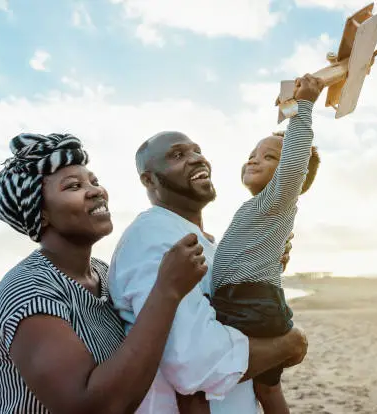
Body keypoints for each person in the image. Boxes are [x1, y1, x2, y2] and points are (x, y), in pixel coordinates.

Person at [107, 78, 319, 414]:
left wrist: (267, 264)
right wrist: (289, 343)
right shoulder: (154, 235)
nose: (196, 159)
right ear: (149, 180)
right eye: (178, 155)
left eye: (197, 151)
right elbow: (194, 364)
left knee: (267, 389)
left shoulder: (209, 239)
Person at [0, 132, 210, 414]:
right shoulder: (29, 289)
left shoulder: (103, 273)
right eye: (74, 186)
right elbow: (90, 406)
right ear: (40, 213)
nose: (96, 191)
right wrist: (167, 291)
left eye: (94, 181)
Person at [209, 74, 324, 414]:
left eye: (270, 157)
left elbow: (293, 165)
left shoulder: (279, 197)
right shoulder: (258, 208)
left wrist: (303, 108)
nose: (254, 160)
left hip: (252, 304)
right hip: (247, 300)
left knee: (204, 374)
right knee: (267, 389)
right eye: (252, 154)